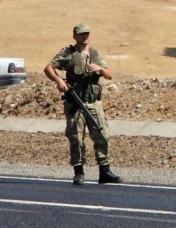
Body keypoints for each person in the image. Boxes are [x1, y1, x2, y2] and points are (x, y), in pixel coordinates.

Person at [43, 22, 122, 186]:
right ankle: (79, 172)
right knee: (76, 138)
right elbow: (49, 68)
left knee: (102, 135)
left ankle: (104, 171)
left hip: (93, 103)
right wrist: (59, 81)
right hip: (75, 102)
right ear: (75, 36)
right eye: (81, 34)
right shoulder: (68, 53)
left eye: (86, 34)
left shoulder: (94, 54)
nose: (84, 36)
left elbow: (109, 75)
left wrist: (100, 69)